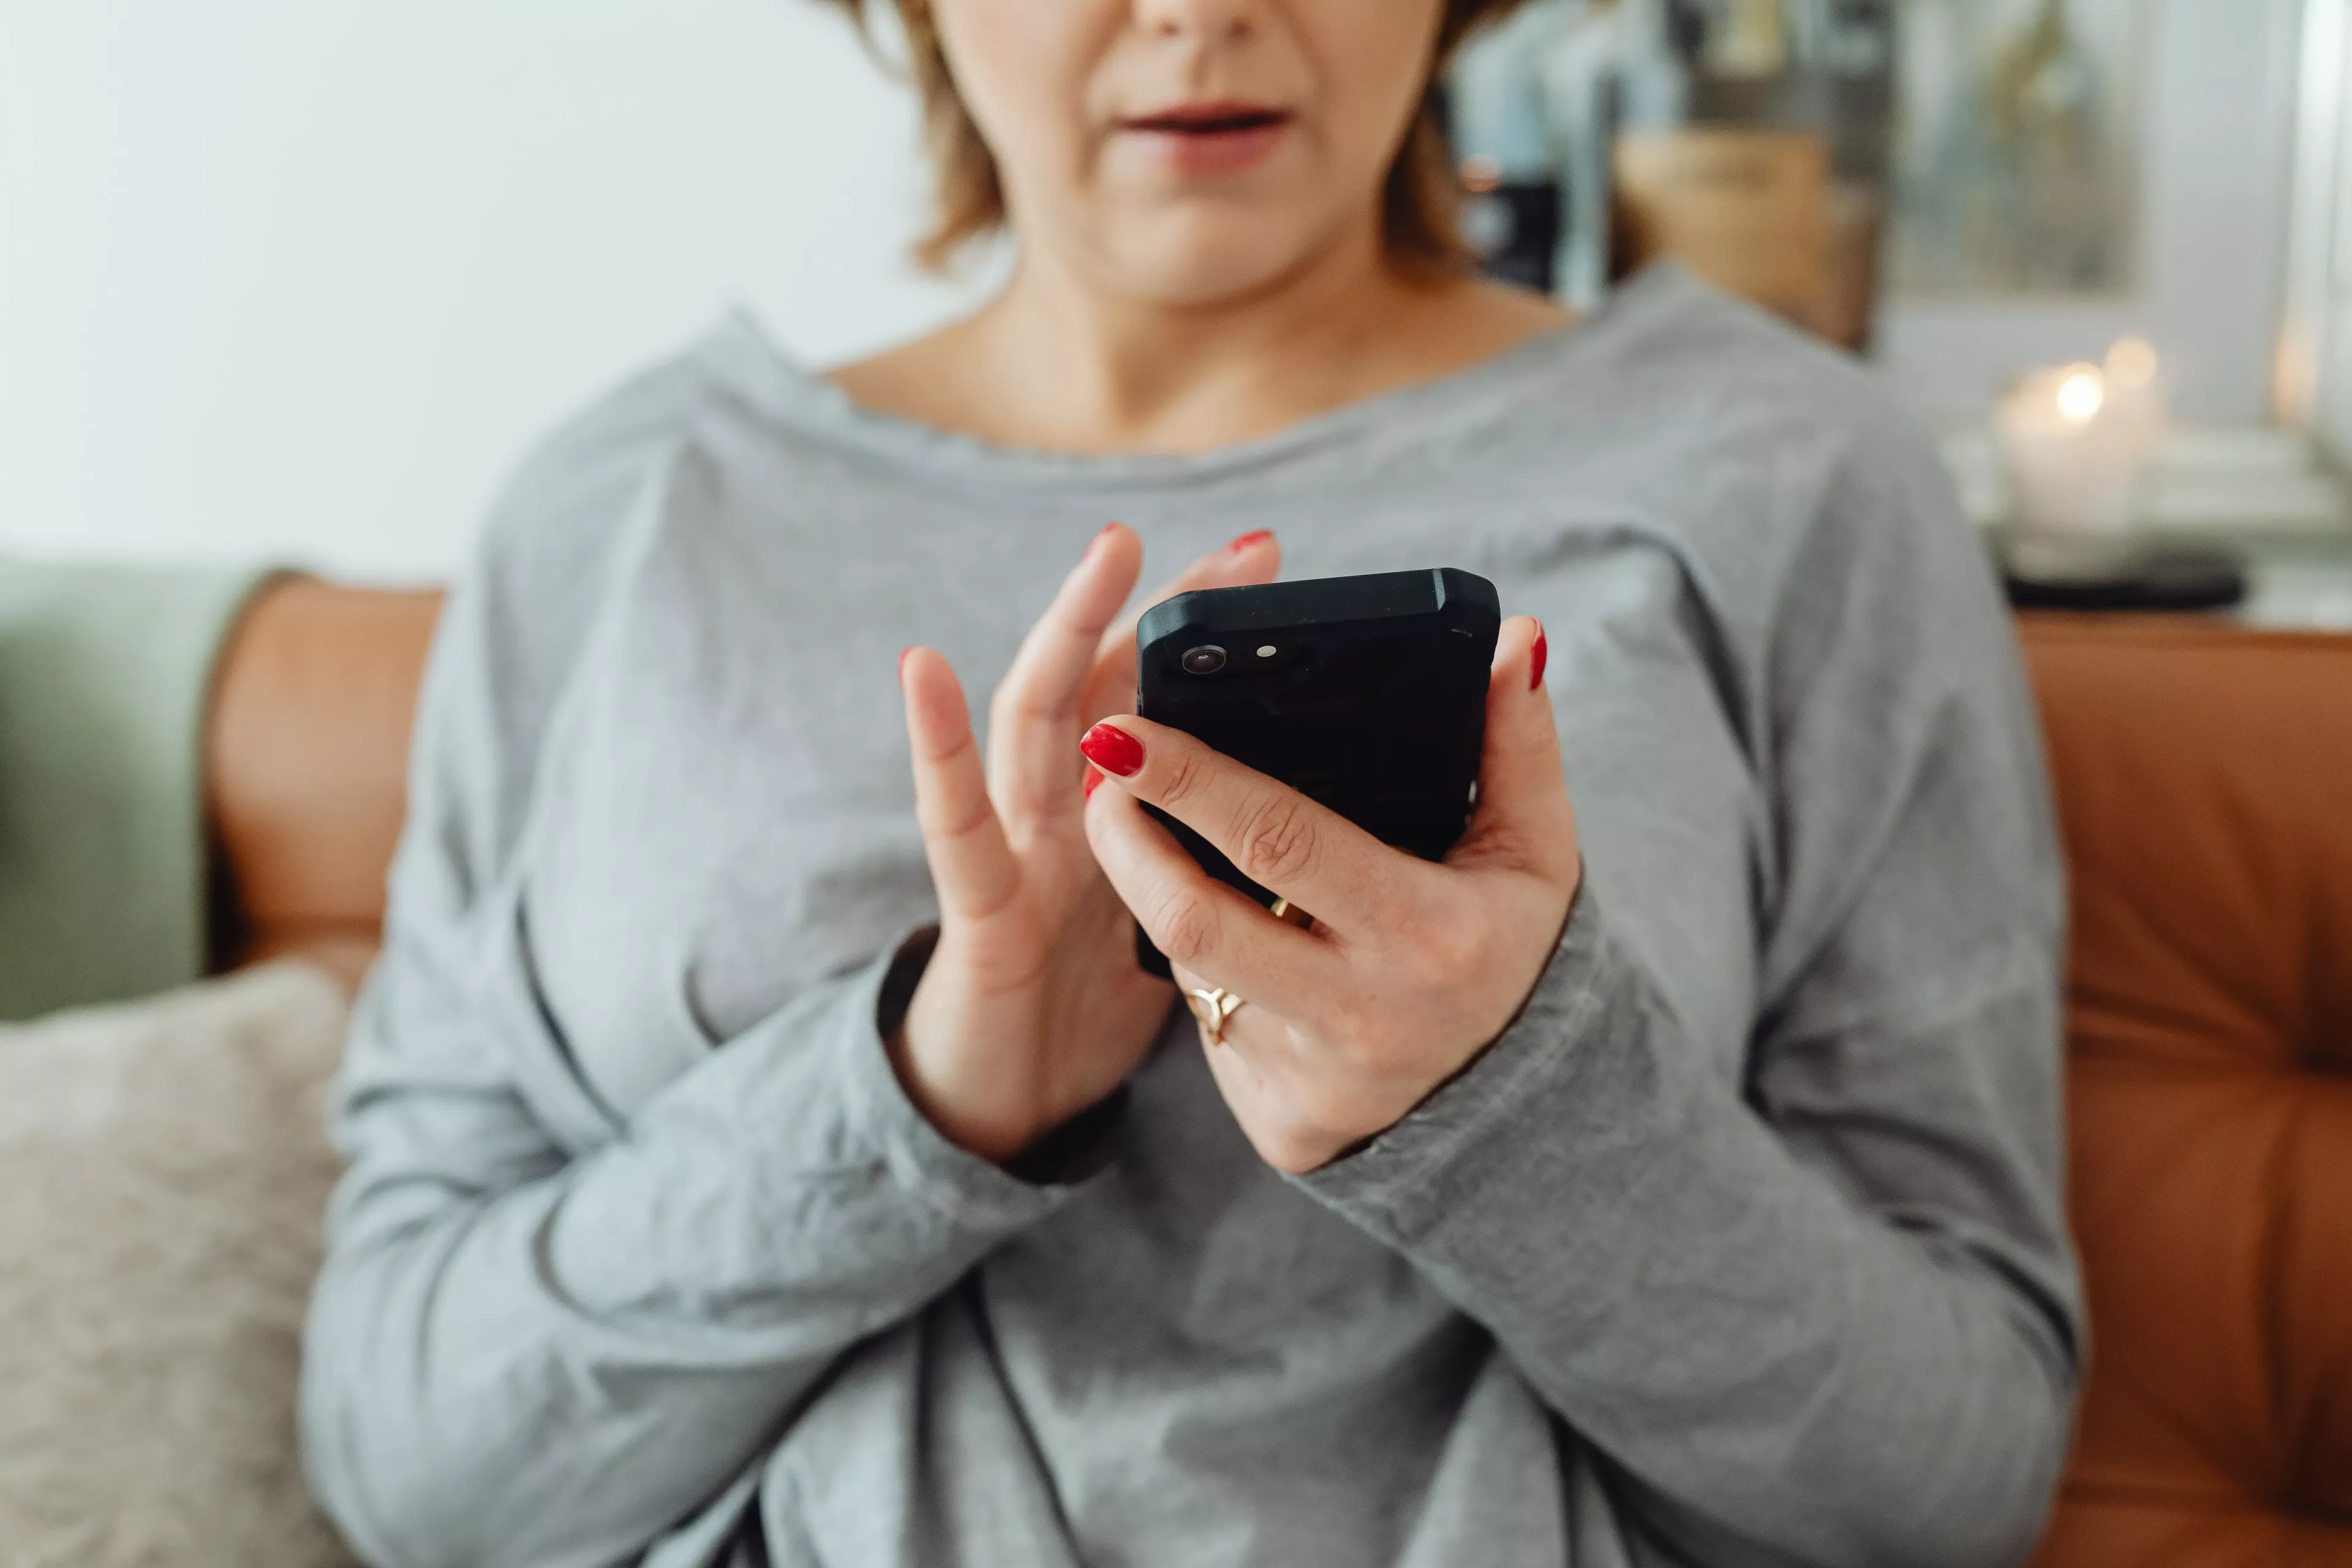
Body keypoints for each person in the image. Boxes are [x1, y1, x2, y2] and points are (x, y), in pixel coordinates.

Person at [299, 0, 2084, 1564]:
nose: (1197, 9)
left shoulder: (1794, 474)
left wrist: (1506, 1097)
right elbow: (416, 1468)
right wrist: (940, 1087)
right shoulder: (617, 514)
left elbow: (1949, 1484)